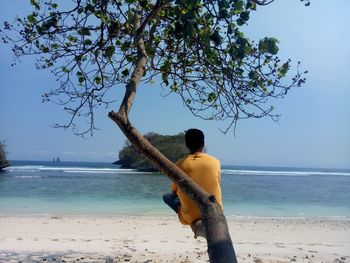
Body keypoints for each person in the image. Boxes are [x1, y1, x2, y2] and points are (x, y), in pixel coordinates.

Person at [163, 128, 223, 238]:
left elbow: (174, 191)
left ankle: (193, 222)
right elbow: (217, 182)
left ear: (186, 144)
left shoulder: (179, 165)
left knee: (167, 197)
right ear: (203, 144)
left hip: (191, 216)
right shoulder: (216, 162)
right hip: (216, 211)